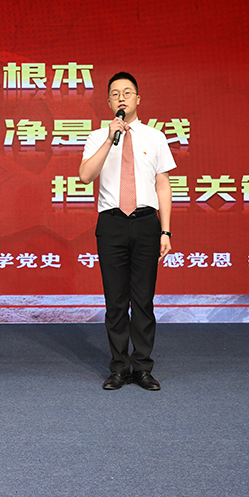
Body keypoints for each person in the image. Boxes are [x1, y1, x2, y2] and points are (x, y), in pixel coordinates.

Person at [79, 72, 175, 391]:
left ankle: (143, 367)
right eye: (115, 93)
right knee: (116, 300)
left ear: (138, 99)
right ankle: (119, 367)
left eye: (127, 92)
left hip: (146, 222)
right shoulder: (98, 137)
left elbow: (163, 185)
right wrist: (110, 139)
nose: (121, 98)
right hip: (112, 223)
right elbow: (85, 176)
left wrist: (166, 231)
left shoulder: (155, 137)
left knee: (143, 299)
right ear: (108, 102)